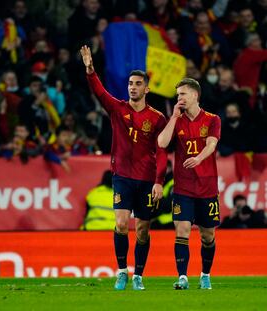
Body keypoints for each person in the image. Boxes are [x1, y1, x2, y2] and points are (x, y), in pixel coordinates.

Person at [80, 45, 167, 291]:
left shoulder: (157, 118)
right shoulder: (117, 109)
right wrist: (90, 70)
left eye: (138, 83)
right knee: (120, 224)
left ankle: (138, 275)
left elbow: (162, 151)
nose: (133, 87)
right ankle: (121, 272)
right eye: (130, 83)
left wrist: (159, 180)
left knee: (142, 229)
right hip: (122, 178)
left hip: (147, 180)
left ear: (147, 88)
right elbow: (99, 92)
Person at [157, 78, 221, 290]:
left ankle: (205, 274)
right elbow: (162, 143)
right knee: (182, 229)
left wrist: (199, 158)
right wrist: (174, 117)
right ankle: (183, 277)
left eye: (182, 94)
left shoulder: (212, 119)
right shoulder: (177, 120)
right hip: (183, 186)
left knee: (207, 235)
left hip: (207, 185)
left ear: (195, 95)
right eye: (177, 96)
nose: (179, 98)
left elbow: (212, 144)